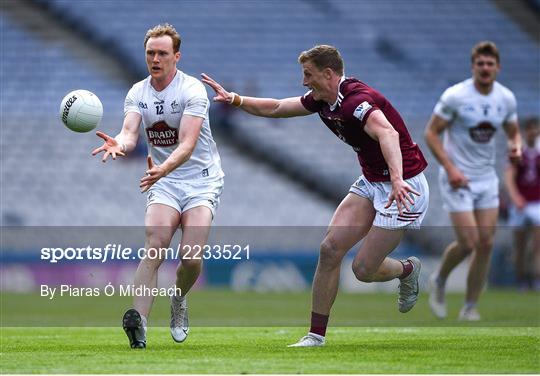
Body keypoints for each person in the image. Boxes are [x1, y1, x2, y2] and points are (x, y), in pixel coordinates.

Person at [201, 44, 429, 347]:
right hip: (374, 181)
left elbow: (388, 134)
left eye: (308, 75)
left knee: (363, 270)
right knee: (330, 249)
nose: (304, 82)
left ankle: (407, 270)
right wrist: (235, 99)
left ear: (329, 73)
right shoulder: (323, 101)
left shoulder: (356, 102)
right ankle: (315, 336)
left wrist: (398, 179)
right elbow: (278, 108)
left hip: (404, 187)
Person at [92, 24, 224, 348]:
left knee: (191, 259)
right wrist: (119, 144)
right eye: (150, 52)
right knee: (156, 243)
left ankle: (178, 299)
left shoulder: (192, 90)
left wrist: (162, 168)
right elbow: (130, 133)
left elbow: (188, 143)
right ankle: (140, 327)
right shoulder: (138, 92)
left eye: (162, 53)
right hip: (163, 182)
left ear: (176, 56)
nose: (155, 58)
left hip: (200, 181)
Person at [425, 41, 522, 321]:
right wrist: (451, 168)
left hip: (485, 177)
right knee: (468, 242)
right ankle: (440, 279)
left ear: (497, 68)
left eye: (490, 64)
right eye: (480, 63)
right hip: (457, 177)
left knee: (487, 243)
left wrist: (515, 146)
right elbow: (432, 133)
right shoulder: (456, 96)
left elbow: (513, 131)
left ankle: (469, 307)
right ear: (473, 67)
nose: (485, 68)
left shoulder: (505, 98)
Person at [504, 117, 540, 291]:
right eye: (530, 129)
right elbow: (509, 176)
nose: (532, 132)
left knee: (537, 244)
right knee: (520, 245)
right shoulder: (517, 150)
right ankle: (521, 280)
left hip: (537, 203)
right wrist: (515, 197)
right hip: (520, 203)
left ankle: (535, 278)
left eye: (535, 129)